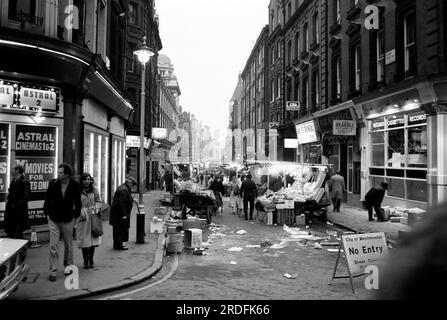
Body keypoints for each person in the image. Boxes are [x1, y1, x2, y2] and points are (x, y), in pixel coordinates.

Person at [43, 163, 81, 282]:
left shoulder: (74, 185)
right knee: (53, 245)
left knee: (68, 245)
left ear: (67, 174)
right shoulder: (53, 183)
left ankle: (68, 266)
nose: (58, 174)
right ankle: (53, 271)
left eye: (60, 173)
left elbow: (78, 202)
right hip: (54, 218)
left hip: (68, 219)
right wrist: (47, 214)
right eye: (58, 172)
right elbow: (47, 199)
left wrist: (75, 216)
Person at [77, 173, 103, 269]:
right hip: (83, 217)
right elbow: (75, 203)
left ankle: (91, 260)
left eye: (88, 179)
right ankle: (85, 261)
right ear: (82, 180)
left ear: (91, 180)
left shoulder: (94, 190)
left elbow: (99, 201)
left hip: (93, 216)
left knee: (93, 240)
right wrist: (80, 211)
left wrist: (96, 209)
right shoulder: (78, 191)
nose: (87, 181)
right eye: (84, 179)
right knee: (84, 240)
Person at [109, 176, 137, 250]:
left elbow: (125, 199)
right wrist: (123, 215)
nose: (132, 187)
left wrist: (132, 199)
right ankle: (119, 246)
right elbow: (121, 203)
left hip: (116, 214)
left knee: (117, 230)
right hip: (120, 215)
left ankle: (116, 245)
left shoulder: (123, 187)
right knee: (120, 230)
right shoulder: (124, 190)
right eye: (132, 184)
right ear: (130, 182)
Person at [4, 164, 31, 239]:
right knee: (9, 229)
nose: (11, 170)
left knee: (17, 232)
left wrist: (16, 205)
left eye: (12, 168)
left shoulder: (24, 182)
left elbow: (26, 197)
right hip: (10, 210)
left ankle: (21, 247)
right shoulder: (13, 180)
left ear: (18, 170)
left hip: (18, 211)